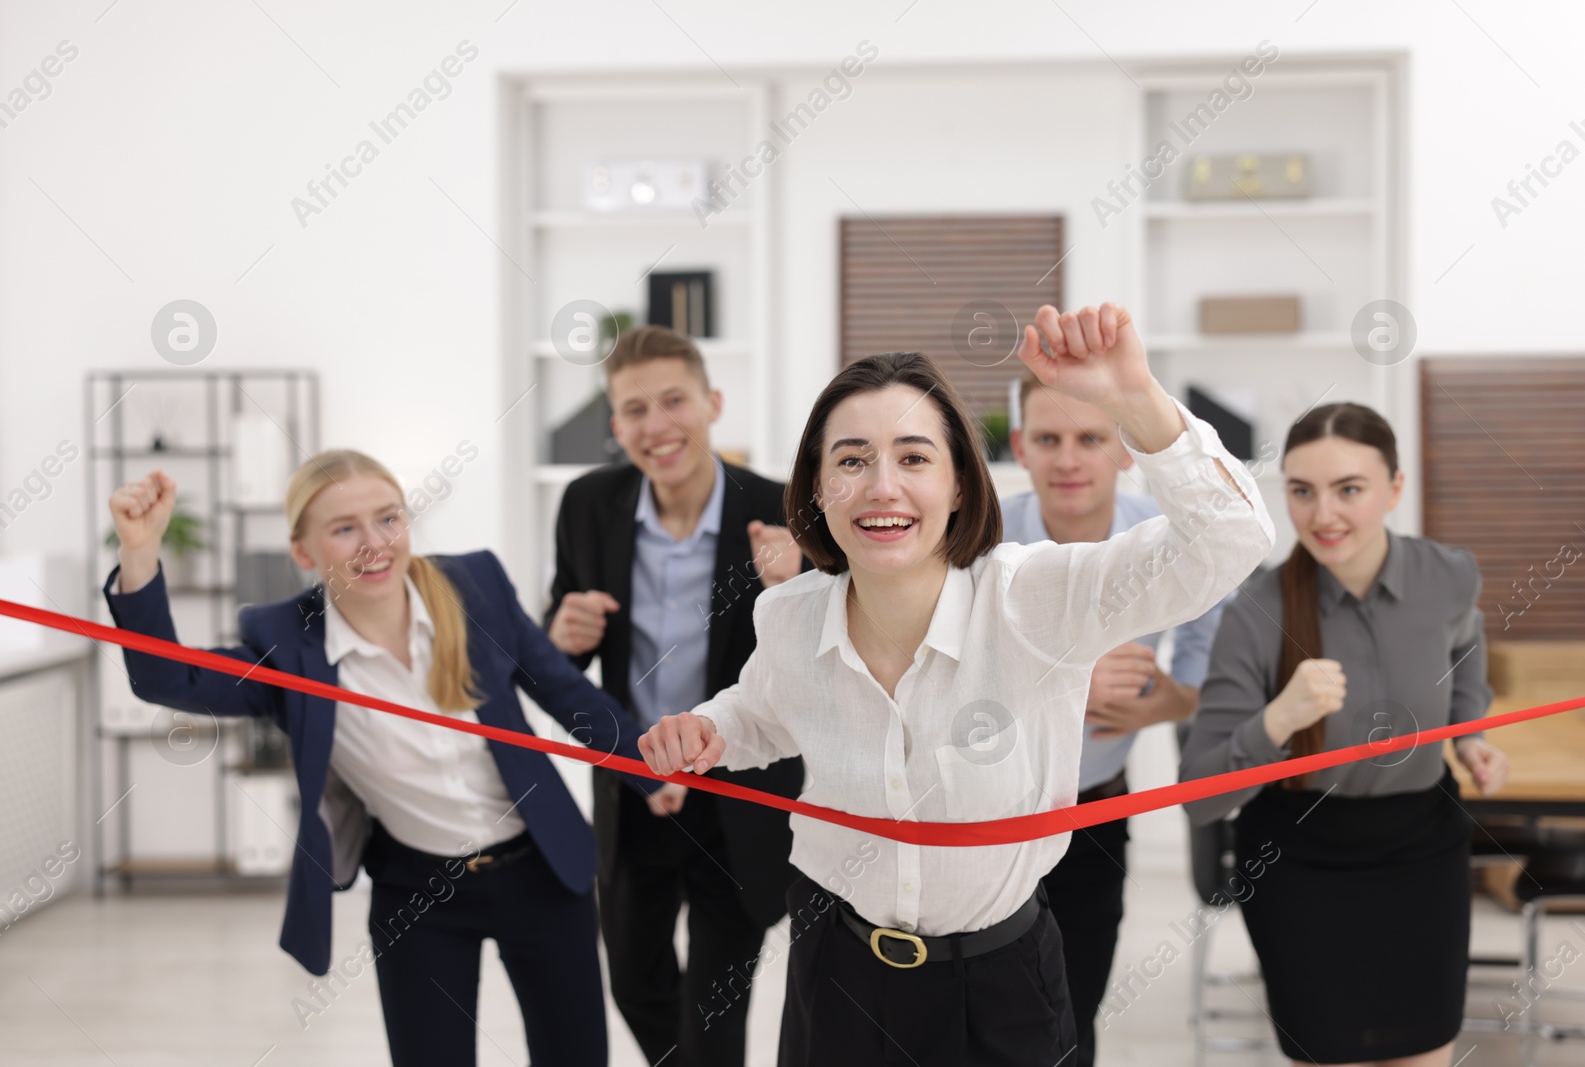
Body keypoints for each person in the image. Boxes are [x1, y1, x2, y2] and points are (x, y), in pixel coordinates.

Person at [639, 303, 1274, 1066]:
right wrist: (711, 729)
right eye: (850, 460)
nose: (882, 487)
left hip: (999, 981)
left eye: (913, 458)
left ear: (962, 485)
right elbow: (764, 710)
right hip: (834, 964)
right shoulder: (787, 615)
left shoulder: (1036, 597)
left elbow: (1233, 538)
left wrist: (1134, 398)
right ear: (816, 486)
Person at [103, 452, 643, 1067]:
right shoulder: (287, 648)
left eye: (388, 518)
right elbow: (167, 678)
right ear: (304, 552)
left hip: (542, 870)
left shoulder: (475, 586)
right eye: (344, 528)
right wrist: (140, 551)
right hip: (419, 893)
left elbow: (562, 690)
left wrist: (647, 770)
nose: (375, 544)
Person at [1179, 402, 1510, 1067]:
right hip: (1299, 861)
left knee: (1422, 1053)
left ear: (1394, 488)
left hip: (1424, 851)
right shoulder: (1254, 612)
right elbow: (1199, 795)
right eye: (1302, 491)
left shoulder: (1449, 575)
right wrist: (1280, 717)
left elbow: (1466, 646)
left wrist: (1468, 729)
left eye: (1348, 489)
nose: (1322, 514)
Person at [544, 325, 806, 1067]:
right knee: (634, 983)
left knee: (715, 1009)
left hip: (739, 799)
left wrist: (798, 589)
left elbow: (826, 656)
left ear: (712, 403)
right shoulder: (588, 504)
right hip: (633, 790)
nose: (656, 426)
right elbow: (563, 639)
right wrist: (563, 632)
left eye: (672, 401)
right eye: (633, 409)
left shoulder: (781, 507)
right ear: (615, 423)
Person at [1000, 371, 1228, 1065]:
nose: (1068, 459)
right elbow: (932, 672)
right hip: (985, 813)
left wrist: (1160, 700)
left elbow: (1197, 669)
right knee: (988, 1013)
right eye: (1049, 439)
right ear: (1021, 447)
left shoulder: (1169, 541)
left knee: (1072, 1009)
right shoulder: (974, 537)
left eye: (1089, 438)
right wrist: (1068, 678)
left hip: (1095, 810)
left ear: (1124, 449)